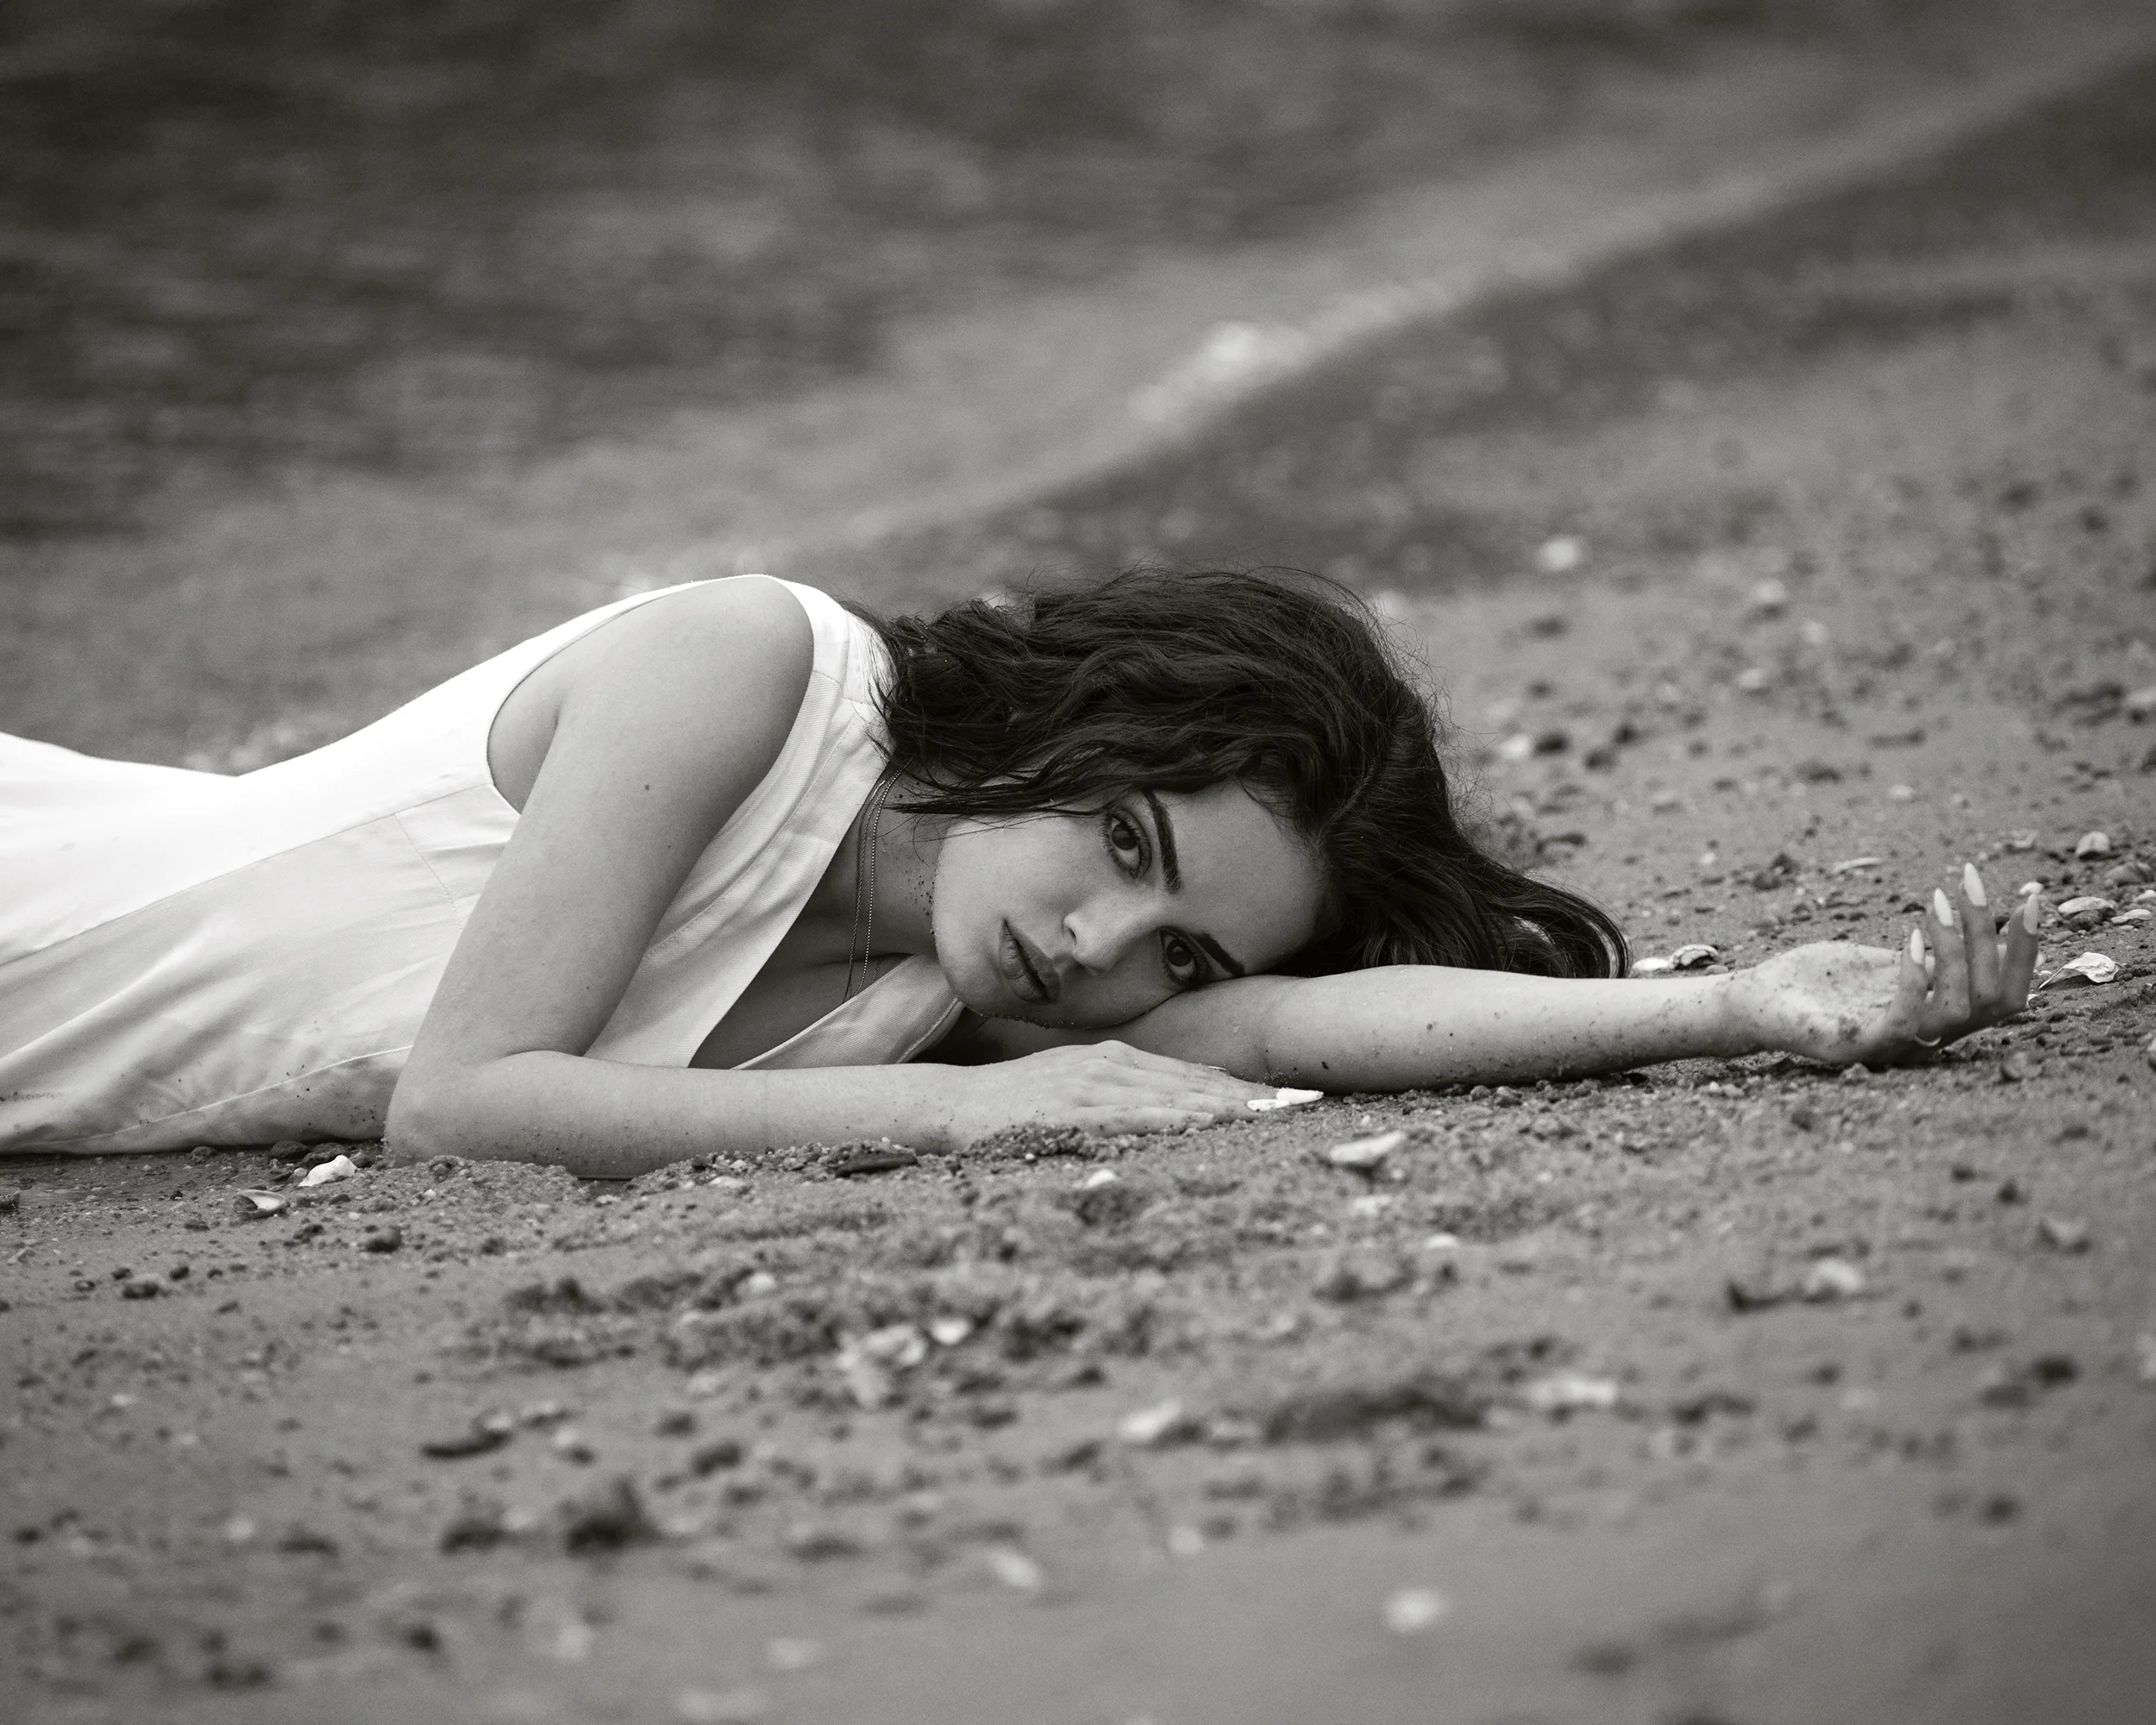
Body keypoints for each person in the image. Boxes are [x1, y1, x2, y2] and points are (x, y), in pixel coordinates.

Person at [0, 569, 2035, 1174]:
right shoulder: (739, 670)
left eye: (1173, 954)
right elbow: (460, 1105)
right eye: (1125, 844)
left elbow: (1304, 1028)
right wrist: (973, 1119)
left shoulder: (971, 993)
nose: (1093, 952)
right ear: (1076, 716)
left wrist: (1738, 1002)